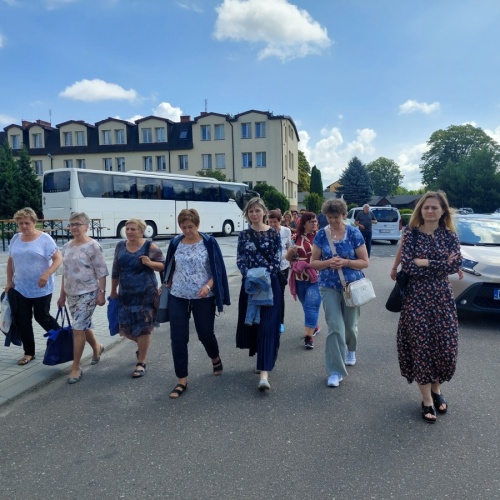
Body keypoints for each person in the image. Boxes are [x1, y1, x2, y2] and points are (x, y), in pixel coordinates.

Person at [395, 191, 461, 424]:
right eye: (426, 207)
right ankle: (427, 400)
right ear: (420, 210)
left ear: (443, 211)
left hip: (442, 300)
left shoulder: (450, 236)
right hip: (416, 300)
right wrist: (440, 264)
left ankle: (436, 388)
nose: (430, 211)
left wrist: (426, 262)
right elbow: (409, 267)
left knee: (445, 348)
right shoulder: (410, 234)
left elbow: (456, 264)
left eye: (435, 207)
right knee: (421, 348)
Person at [164, 209, 230, 399]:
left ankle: (214, 357)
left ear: (198, 224)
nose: (187, 231)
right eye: (183, 227)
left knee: (205, 334)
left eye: (190, 227)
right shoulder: (175, 242)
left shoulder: (209, 242)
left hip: (203, 296)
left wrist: (208, 287)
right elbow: (170, 265)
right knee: (178, 337)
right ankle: (182, 380)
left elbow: (217, 270)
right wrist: (167, 282)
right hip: (178, 295)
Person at [310, 199, 369, 387]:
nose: (333, 220)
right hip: (328, 286)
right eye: (329, 217)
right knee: (335, 327)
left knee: (350, 326)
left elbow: (365, 261)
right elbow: (313, 263)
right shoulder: (321, 234)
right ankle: (335, 371)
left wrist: (346, 262)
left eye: (336, 217)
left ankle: (351, 348)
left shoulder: (353, 233)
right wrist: (328, 263)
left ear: (344, 215)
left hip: (351, 286)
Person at [4, 207, 62, 366]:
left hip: (41, 287)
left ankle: (63, 339)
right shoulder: (15, 239)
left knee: (42, 317)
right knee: (23, 320)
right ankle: (29, 352)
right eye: (20, 223)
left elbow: (58, 259)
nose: (24, 226)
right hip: (20, 287)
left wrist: (47, 273)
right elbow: (11, 261)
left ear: (34, 222)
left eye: (27, 223)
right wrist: (9, 282)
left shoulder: (45, 239)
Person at [57, 212, 109, 384]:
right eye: (71, 225)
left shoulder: (93, 246)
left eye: (77, 224)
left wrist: (102, 293)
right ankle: (97, 347)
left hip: (88, 292)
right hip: (71, 294)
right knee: (82, 325)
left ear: (86, 226)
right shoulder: (67, 246)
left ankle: (75, 367)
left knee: (78, 328)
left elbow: (101, 271)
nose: (74, 227)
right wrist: (62, 295)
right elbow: (66, 273)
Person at [236, 197, 281, 391]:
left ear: (264, 212)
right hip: (250, 286)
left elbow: (277, 259)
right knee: (254, 325)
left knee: (267, 327)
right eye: (250, 211)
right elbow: (240, 259)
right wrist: (250, 275)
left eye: (257, 210)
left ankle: (264, 374)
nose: (254, 214)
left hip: (270, 285)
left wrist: (264, 276)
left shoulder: (273, 233)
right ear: (247, 214)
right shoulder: (243, 235)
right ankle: (262, 357)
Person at [110, 218, 164, 378]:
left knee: (144, 328)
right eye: (127, 229)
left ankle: (141, 362)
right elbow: (115, 270)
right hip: (126, 295)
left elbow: (164, 265)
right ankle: (142, 346)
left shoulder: (150, 246)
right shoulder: (120, 246)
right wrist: (113, 290)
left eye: (133, 229)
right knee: (125, 329)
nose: (129, 232)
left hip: (146, 295)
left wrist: (150, 263)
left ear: (141, 231)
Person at [286, 212, 321, 350]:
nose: (314, 223)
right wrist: (290, 254)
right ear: (304, 223)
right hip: (299, 278)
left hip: (316, 277)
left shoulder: (320, 237)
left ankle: (308, 337)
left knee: (311, 306)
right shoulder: (295, 237)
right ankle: (314, 326)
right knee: (306, 306)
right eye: (311, 221)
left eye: (315, 221)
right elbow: (288, 258)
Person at [267, 210, 291, 334]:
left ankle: (280, 322)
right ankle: (269, 320)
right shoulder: (265, 231)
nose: (272, 224)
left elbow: (289, 247)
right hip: (268, 268)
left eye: (274, 222)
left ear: (280, 220)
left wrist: (290, 258)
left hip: (283, 267)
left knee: (280, 295)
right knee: (268, 294)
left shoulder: (286, 231)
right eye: (270, 222)